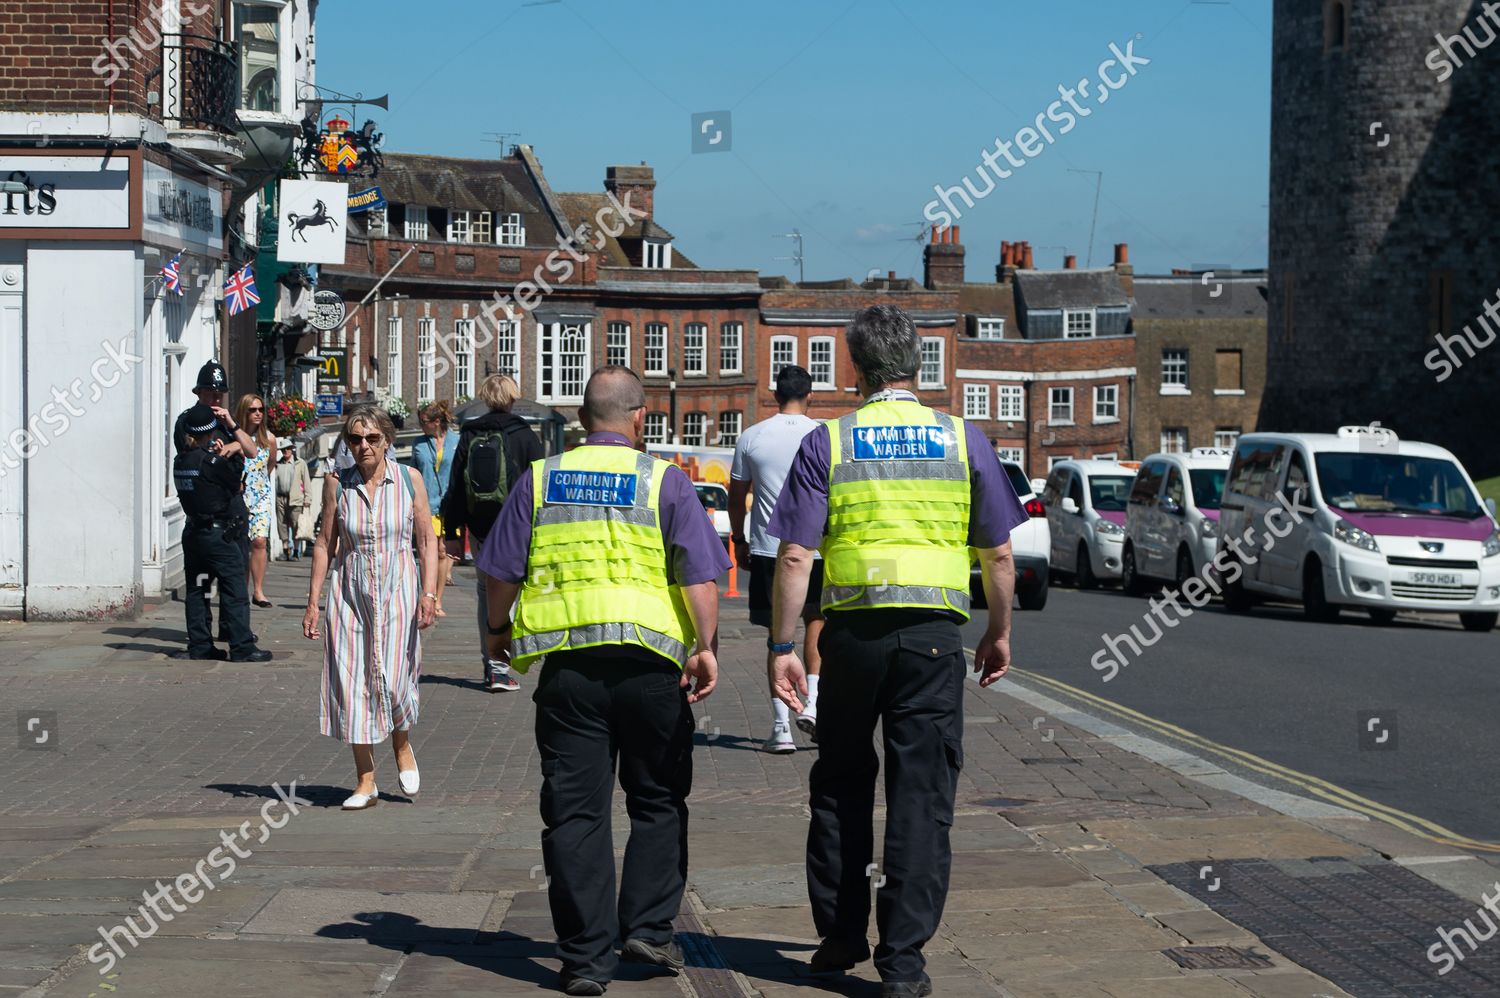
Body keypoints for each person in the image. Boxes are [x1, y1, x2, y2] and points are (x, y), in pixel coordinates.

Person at [765, 305, 1025, 996]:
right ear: (918, 365)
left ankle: (842, 933)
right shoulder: (963, 439)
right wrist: (997, 633)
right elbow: (998, 553)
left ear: (855, 367)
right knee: (920, 794)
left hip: (850, 639)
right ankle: (903, 962)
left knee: (843, 784)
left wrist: (784, 646)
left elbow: (795, 556)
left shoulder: (831, 440)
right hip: (934, 643)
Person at [478, 366, 725, 995]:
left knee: (574, 813)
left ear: (584, 419)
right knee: (658, 799)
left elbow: (500, 573)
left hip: (570, 673)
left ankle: (586, 959)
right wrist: (704, 647)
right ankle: (647, 927)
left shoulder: (541, 478)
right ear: (638, 418)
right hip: (651, 670)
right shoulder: (665, 481)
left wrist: (498, 633)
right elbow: (700, 575)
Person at [302, 406, 439, 810]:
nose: (364, 446)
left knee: (395, 677)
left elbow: (427, 541)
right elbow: (326, 543)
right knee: (352, 682)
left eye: (372, 439)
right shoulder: (337, 485)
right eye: (356, 439)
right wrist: (313, 602)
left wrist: (429, 594)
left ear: (387, 441)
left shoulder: (409, 480)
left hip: (398, 589)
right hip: (350, 591)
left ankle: (401, 742)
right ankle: (365, 781)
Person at [729, 364, 825, 754]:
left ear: (774, 394)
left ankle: (781, 728)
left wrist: (739, 539)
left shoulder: (751, 437)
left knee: (777, 639)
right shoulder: (823, 435)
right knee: (816, 623)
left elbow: (737, 497)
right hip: (816, 548)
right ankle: (815, 706)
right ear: (810, 395)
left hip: (770, 548)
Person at [442, 373, 543, 693]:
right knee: (516, 590)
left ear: (485, 398)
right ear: (513, 398)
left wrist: (453, 532)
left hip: (482, 526)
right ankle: (507, 660)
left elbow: (456, 485)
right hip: (517, 527)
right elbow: (539, 485)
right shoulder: (525, 435)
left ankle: (494, 665)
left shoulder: (470, 433)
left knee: (487, 593)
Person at [171, 404, 272, 663]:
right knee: (234, 589)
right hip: (218, 536)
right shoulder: (211, 461)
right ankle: (241, 647)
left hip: (193, 534)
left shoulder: (180, 461)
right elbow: (235, 482)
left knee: (198, 590)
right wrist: (225, 455)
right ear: (209, 431)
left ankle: (200, 646)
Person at [412, 400, 462, 616]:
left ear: (437, 421)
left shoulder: (457, 441)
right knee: (428, 550)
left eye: (424, 422)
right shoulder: (419, 444)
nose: (421, 426)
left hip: (450, 504)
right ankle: (428, 594)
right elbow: (413, 472)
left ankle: (438, 600)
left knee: (443, 552)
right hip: (426, 503)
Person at [234, 394, 277, 608]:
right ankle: (241, 589)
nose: (258, 413)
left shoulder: (268, 439)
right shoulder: (235, 438)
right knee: (241, 546)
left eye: (260, 409)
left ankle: (258, 590)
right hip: (239, 498)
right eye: (252, 410)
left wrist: (259, 485)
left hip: (261, 496)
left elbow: (270, 465)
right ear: (244, 412)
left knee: (259, 541)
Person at [274, 437, 312, 560]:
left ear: (292, 449)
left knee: (297, 526)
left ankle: (296, 552)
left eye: (288, 449)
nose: (285, 451)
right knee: (282, 525)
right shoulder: (278, 464)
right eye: (283, 449)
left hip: (296, 499)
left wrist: (308, 499)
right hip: (281, 498)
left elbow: (306, 481)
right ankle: (286, 551)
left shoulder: (300, 463)